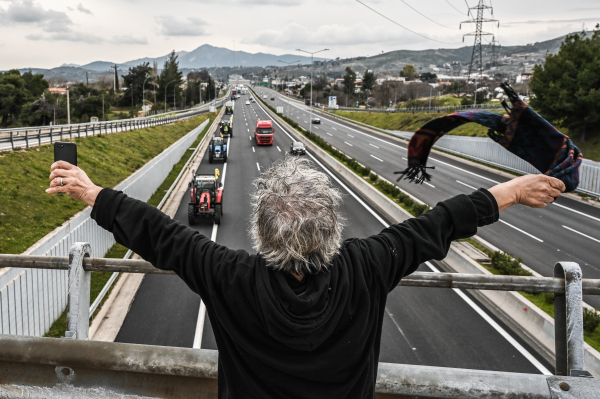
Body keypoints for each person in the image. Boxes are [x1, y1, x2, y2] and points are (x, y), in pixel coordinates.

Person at [46, 156, 565, 399]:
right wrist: (513, 191)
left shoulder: (229, 276)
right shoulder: (369, 265)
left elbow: (162, 235)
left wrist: (94, 193)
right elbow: (437, 226)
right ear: (333, 230)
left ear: (262, 234)